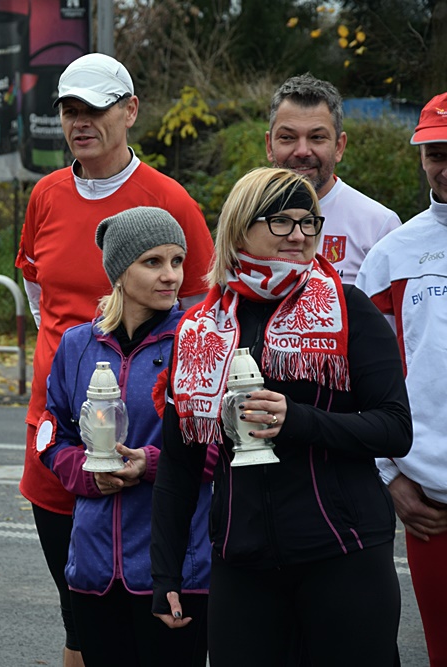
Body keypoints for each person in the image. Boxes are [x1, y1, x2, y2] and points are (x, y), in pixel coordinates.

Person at [150, 167, 412, 666]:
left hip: (343, 553)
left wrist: (298, 419)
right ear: (239, 229)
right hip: (241, 560)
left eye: (308, 222)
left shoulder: (348, 308)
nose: (298, 234)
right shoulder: (201, 326)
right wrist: (165, 573)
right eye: (280, 221)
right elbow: (180, 465)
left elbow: (395, 428)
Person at [15, 52, 214, 667]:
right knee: (79, 613)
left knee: (155, 619)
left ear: (130, 111)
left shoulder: (167, 199)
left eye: (96, 110)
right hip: (61, 432)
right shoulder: (45, 194)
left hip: (152, 441)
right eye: (70, 110)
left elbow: (201, 314)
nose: (81, 122)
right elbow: (37, 291)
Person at [37, 207, 212, 666]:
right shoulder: (77, 344)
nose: (170, 275)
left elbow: (224, 447)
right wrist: (85, 473)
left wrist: (153, 463)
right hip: (93, 569)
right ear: (119, 270)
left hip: (176, 567)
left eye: (177, 261)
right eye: (152, 262)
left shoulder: (199, 341)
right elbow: (51, 434)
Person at [356, 91, 447, 667]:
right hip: (430, 502)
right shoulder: (392, 255)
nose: (446, 164)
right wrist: (390, 476)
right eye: (435, 152)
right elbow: (361, 383)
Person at [266, 73, 401, 285]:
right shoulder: (245, 218)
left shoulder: (379, 226)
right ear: (269, 145)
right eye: (288, 137)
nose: (302, 151)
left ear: (339, 146)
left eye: (317, 137)